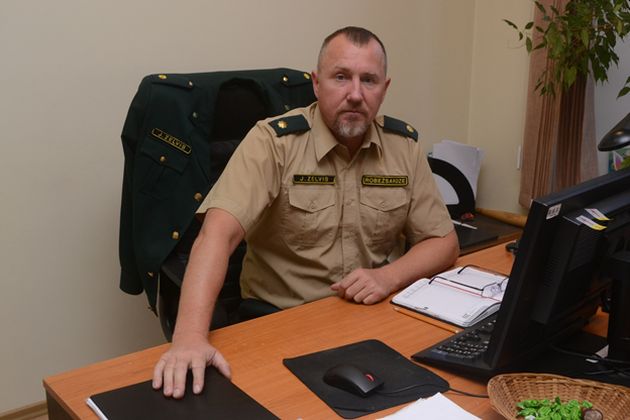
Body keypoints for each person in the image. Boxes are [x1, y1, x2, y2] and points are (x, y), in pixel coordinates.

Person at [152, 26, 459, 398]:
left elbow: (444, 242)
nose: (355, 94)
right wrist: (188, 338)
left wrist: (388, 276)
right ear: (316, 83)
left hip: (373, 320)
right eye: (341, 77)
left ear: (385, 88)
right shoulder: (274, 143)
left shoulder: (403, 147)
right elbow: (217, 235)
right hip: (283, 321)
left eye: (369, 80)